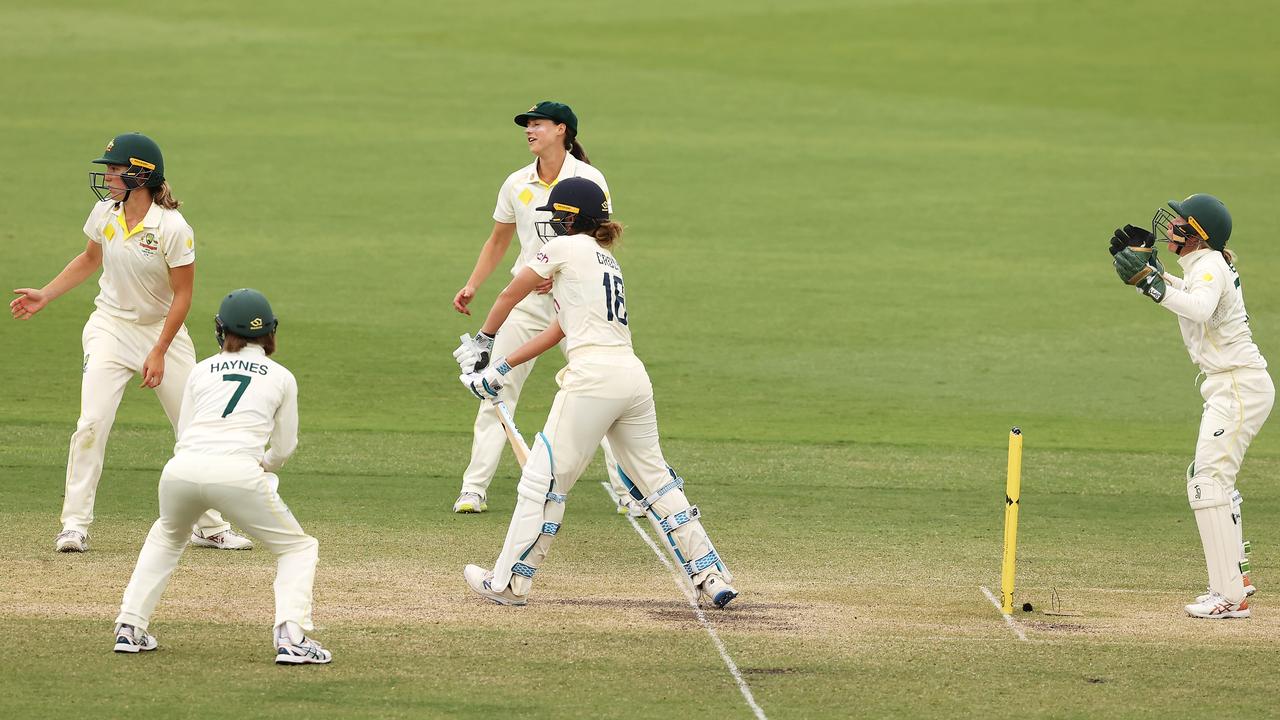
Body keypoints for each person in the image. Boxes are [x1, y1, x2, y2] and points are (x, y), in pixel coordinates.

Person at [455, 177, 738, 609]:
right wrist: (502, 368)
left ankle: (509, 583)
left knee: (543, 483)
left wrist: (483, 341)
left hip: (591, 379)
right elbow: (559, 329)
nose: (551, 224)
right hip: (631, 378)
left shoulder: (565, 250)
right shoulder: (604, 259)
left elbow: (512, 292)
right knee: (656, 481)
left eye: (556, 216)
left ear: (571, 219)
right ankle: (710, 574)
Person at [10, 132, 252, 553]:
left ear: (141, 175)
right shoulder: (106, 212)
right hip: (109, 327)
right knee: (91, 423)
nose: (107, 177)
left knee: (193, 428)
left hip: (162, 333)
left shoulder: (173, 228)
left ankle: (209, 525)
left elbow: (183, 296)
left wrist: (157, 350)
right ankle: (74, 524)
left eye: (115, 169)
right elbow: (90, 258)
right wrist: (46, 294)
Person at [112, 289, 331, 664]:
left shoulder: (200, 370)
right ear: (270, 331)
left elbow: (186, 432)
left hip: (181, 470)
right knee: (297, 547)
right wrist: (265, 465)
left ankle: (130, 627)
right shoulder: (281, 376)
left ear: (221, 330)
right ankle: (291, 636)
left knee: (166, 537)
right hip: (239, 474)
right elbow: (284, 446)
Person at [450, 101, 641, 517]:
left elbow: (599, 235)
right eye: (527, 125)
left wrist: (564, 274)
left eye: (537, 124)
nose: (529, 130)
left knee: (599, 388)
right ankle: (474, 488)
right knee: (495, 388)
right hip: (528, 301)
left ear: (562, 130)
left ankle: (630, 493)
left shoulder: (588, 179)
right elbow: (498, 240)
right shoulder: (516, 183)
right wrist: (472, 284)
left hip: (575, 302)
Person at [1111, 193, 1273, 619]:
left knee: (1208, 483)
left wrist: (1151, 283)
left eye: (1180, 222)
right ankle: (1236, 581)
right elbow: (1190, 294)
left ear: (1197, 235)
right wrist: (1155, 273)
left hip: (1237, 385)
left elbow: (1199, 308)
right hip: (1233, 386)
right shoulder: (1205, 266)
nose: (1170, 225)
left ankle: (1229, 595)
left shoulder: (1210, 268)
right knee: (1210, 479)